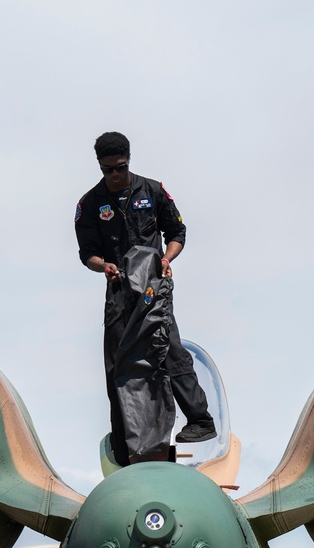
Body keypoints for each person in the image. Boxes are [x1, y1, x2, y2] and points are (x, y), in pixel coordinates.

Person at [75, 131, 217, 465]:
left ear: (128, 161)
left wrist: (167, 259)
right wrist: (104, 267)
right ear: (100, 166)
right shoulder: (90, 204)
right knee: (118, 366)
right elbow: (88, 254)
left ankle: (200, 421)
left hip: (153, 289)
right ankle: (125, 447)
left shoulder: (151, 190)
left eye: (120, 168)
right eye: (108, 169)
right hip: (120, 293)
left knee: (168, 350)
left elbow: (177, 232)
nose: (114, 175)